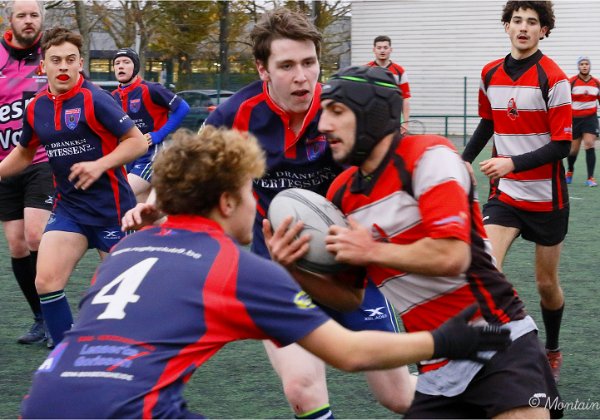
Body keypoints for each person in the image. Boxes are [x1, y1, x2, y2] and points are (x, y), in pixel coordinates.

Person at [19, 126, 511, 419]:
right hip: (126, 410)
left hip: (41, 401)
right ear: (229, 200)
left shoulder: (128, 249)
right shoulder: (232, 265)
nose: (258, 203)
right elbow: (352, 352)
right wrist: (442, 343)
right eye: (252, 191)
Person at [123, 8, 416, 418]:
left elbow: (388, 178)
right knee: (302, 388)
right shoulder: (234, 116)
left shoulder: (344, 110)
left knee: (399, 397)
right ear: (263, 69)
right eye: (287, 65)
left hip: (346, 268)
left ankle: (491, 398)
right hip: (276, 273)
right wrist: (156, 206)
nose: (302, 76)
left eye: (310, 63)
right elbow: (193, 177)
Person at [265, 65, 562, 419]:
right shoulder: (343, 193)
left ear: (372, 113)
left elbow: (453, 254)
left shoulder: (429, 155)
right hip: (436, 369)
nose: (324, 125)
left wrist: (371, 249)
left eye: (337, 112)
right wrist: (292, 269)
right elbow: (350, 297)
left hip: (498, 343)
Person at [0, 27, 147, 347]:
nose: (63, 66)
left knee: (125, 297)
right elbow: (25, 152)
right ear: (44, 65)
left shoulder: (96, 99)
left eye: (70, 59)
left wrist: (100, 164)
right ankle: (65, 355)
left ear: (81, 63)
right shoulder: (36, 106)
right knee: (46, 280)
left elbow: (136, 143)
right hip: (70, 210)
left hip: (113, 211)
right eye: (56, 60)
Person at [461, 0, 571, 383]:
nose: (524, 27)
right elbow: (487, 123)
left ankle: (552, 348)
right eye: (517, 20)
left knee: (546, 286)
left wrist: (512, 162)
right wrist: (464, 159)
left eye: (533, 22)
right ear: (506, 25)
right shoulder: (489, 72)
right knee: (485, 267)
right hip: (505, 196)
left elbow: (561, 145)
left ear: (544, 31)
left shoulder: (554, 78)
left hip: (547, 200)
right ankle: (492, 351)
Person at [0, 0, 54, 346]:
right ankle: (39, 318)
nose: (29, 20)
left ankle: (55, 317)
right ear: (10, 20)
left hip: (42, 160)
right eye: (22, 15)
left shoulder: (53, 54)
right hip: (5, 166)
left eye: (34, 14)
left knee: (36, 236)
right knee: (17, 245)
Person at [111, 48, 190, 203]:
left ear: (135, 67)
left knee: (120, 195)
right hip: (131, 157)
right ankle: (169, 227)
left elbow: (183, 108)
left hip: (152, 155)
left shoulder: (151, 89)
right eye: (117, 63)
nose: (121, 66)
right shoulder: (113, 96)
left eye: (126, 62)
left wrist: (158, 135)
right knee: (144, 214)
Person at [566, 56, 600, 186]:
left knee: (589, 144)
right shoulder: (571, 82)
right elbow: (565, 101)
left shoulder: (596, 83)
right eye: (582, 64)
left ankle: (590, 178)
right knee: (573, 150)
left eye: (586, 64)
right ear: (578, 66)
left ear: (590, 66)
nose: (584, 66)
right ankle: (570, 171)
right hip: (575, 119)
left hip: (590, 119)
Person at [366, 35, 411, 134]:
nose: (382, 51)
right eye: (379, 48)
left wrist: (405, 122)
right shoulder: (365, 70)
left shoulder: (400, 71)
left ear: (391, 49)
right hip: (371, 120)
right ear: (374, 49)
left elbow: (406, 98)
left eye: (385, 48)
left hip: (394, 121)